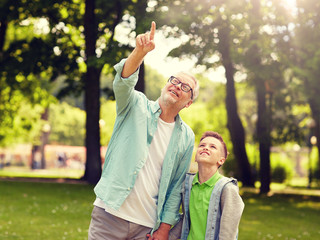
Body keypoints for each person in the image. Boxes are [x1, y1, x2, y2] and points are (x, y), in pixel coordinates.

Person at [88, 21, 199, 240]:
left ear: (188, 103)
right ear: (165, 85)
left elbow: (176, 185)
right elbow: (123, 82)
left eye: (186, 87)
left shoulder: (186, 137)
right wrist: (139, 53)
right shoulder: (135, 105)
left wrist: (164, 228)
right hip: (109, 216)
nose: (177, 86)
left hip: (147, 226)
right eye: (175, 81)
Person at [175, 131, 244, 240]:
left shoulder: (227, 189)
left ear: (221, 160)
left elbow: (228, 233)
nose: (205, 148)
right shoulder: (188, 184)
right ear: (195, 158)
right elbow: (186, 219)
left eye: (213, 147)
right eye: (202, 145)